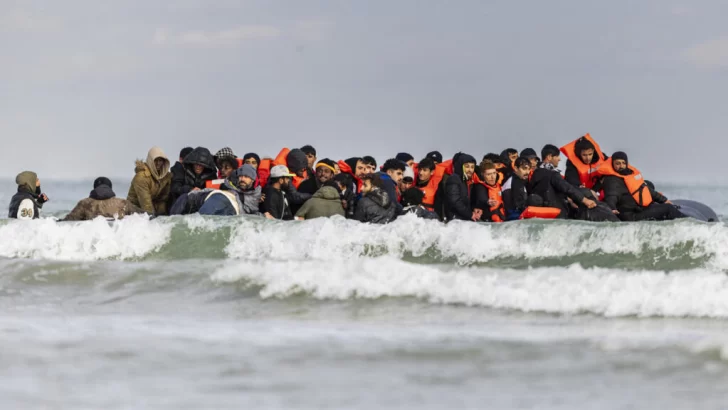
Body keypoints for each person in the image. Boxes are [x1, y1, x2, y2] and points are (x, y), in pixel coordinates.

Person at [599, 152, 683, 221]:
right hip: (630, 215)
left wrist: (664, 200)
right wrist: (612, 208)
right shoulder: (612, 180)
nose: (621, 166)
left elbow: (646, 189)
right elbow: (611, 196)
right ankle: (691, 224)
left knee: (649, 185)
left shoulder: (629, 175)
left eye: (623, 163)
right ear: (613, 164)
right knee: (668, 209)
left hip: (639, 209)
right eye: (617, 164)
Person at [526, 149, 597, 218]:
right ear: (549, 157)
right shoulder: (550, 173)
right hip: (557, 213)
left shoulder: (536, 174)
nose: (559, 159)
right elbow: (566, 187)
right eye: (557, 156)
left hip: (544, 213)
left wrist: (569, 199)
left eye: (535, 160)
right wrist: (585, 200)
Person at [62, 177, 143, 221]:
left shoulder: (84, 203)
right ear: (110, 188)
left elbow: (68, 220)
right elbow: (144, 215)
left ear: (94, 188)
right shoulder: (123, 203)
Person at [128, 147, 172, 215]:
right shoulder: (142, 177)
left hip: (151, 208)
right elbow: (146, 205)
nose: (158, 163)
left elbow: (162, 200)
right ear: (150, 160)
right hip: (133, 212)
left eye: (160, 160)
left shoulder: (165, 177)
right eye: (155, 160)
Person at [444, 152, 480, 221]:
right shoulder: (454, 178)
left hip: (463, 220)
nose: (470, 170)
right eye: (467, 166)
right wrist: (470, 214)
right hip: (454, 221)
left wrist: (476, 209)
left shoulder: (467, 182)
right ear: (460, 166)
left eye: (472, 167)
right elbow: (454, 201)